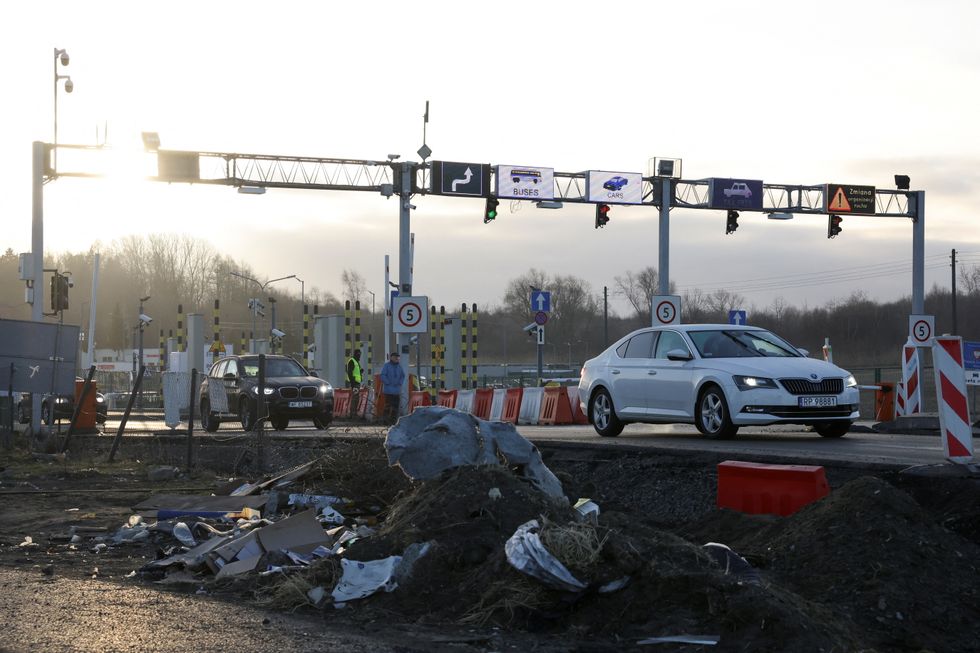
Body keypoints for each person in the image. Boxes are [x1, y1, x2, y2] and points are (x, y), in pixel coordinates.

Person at [379, 351, 405, 425]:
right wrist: (388, 382)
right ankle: (385, 421)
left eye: (397, 357)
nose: (397, 358)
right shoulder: (387, 366)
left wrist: (400, 383)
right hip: (389, 390)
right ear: (391, 358)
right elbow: (383, 375)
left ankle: (393, 421)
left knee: (395, 407)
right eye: (395, 357)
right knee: (388, 405)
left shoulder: (399, 366)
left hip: (396, 390)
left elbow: (402, 376)